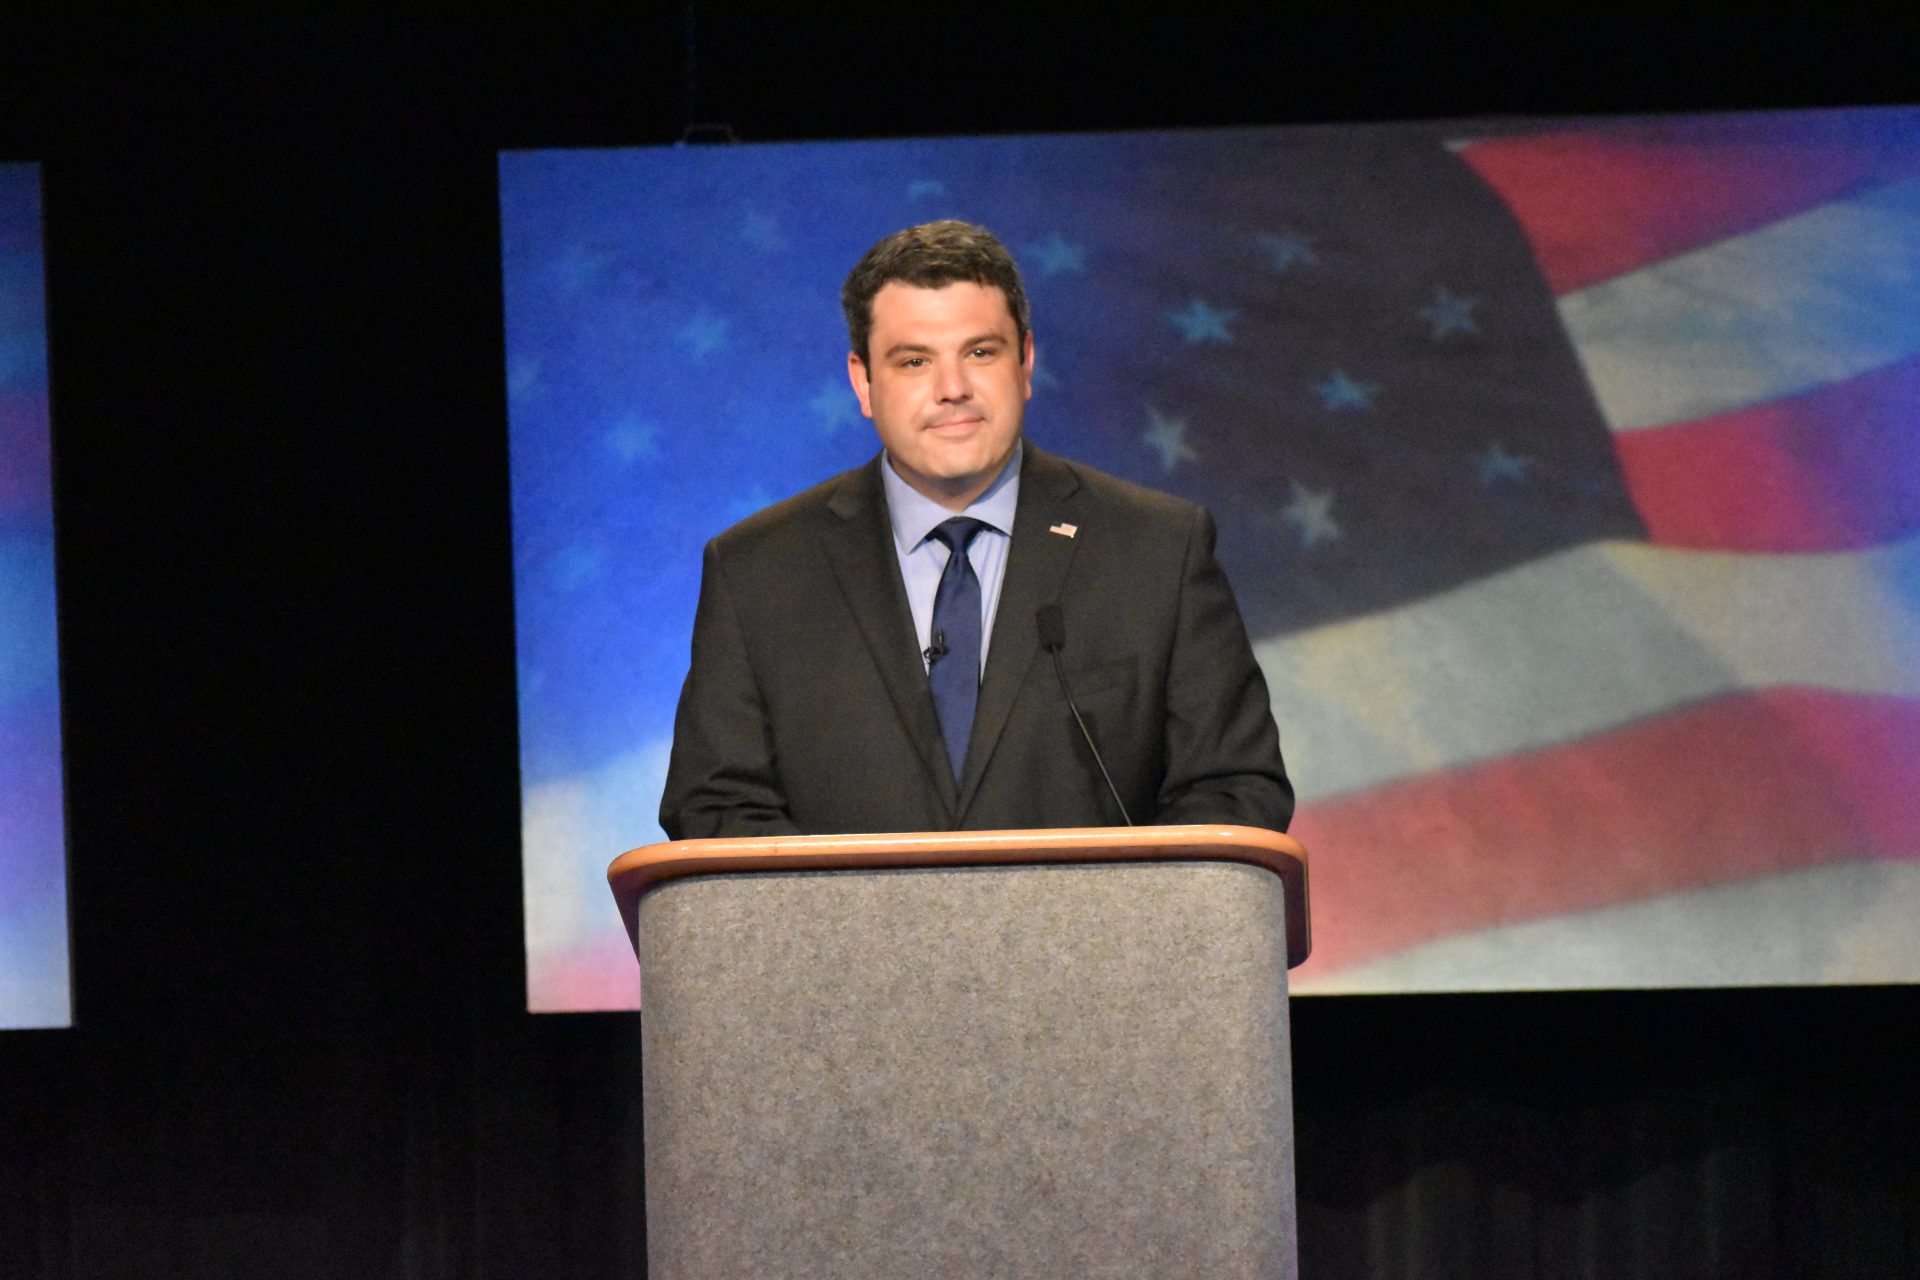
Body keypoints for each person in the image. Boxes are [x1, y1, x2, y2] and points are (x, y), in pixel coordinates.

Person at [659, 220, 1291, 838]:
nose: (952, 388)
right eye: (913, 362)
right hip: (849, 945)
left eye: (981, 352)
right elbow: (716, 807)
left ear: (1026, 362)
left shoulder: (1158, 549)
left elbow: (1234, 788)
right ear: (864, 382)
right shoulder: (758, 571)